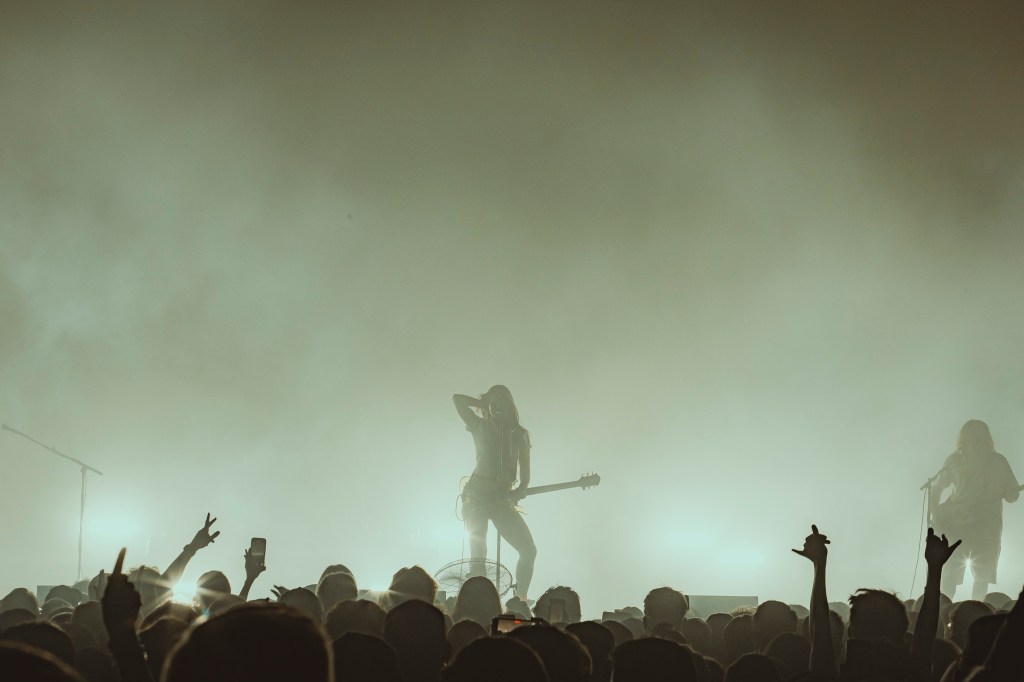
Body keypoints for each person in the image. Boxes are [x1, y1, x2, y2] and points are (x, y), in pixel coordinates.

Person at [453, 386, 537, 600]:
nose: (499, 406)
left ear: (510, 405)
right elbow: (457, 399)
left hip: (502, 498)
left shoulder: (520, 435)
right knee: (479, 554)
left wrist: (520, 489)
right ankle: (477, 600)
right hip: (478, 495)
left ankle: (521, 599)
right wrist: (484, 403)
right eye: (494, 402)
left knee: (528, 550)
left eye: (503, 401)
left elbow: (525, 474)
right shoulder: (479, 425)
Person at [928, 420, 1020, 600]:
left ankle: (973, 615)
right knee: (951, 573)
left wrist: (1009, 491)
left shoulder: (998, 461)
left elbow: (1012, 495)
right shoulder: (954, 461)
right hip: (958, 522)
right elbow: (936, 488)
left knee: (980, 575)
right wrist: (936, 514)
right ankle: (944, 613)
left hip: (986, 525)